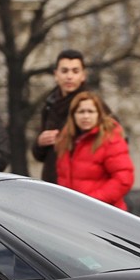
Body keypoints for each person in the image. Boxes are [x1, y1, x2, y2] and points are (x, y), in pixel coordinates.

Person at [54, 91, 134, 210]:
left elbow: (124, 179)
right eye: (81, 111)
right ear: (73, 115)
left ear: (99, 114)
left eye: (90, 111)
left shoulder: (110, 139)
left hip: (103, 213)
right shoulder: (65, 141)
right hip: (73, 213)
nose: (86, 116)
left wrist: (92, 202)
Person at [32, 49, 90, 184]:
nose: (69, 76)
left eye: (75, 71)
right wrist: (40, 143)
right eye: (64, 71)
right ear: (56, 75)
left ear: (83, 75)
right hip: (53, 184)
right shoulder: (49, 104)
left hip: (81, 186)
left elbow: (116, 142)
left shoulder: (92, 105)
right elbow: (40, 155)